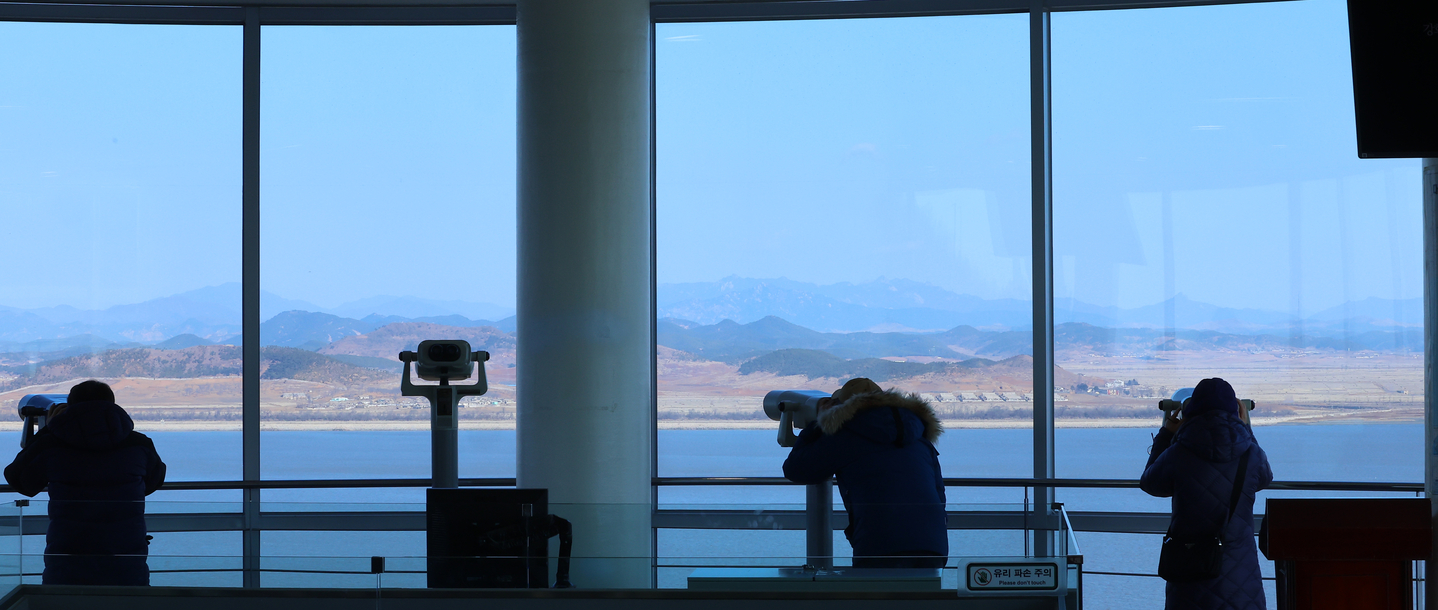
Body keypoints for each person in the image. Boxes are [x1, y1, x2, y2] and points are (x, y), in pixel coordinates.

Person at [4, 380, 166, 586]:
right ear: (113, 405)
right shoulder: (138, 443)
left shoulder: (52, 443)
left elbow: (19, 481)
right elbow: (155, 480)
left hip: (68, 558)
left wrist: (47, 430)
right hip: (126, 558)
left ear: (70, 407)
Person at [782, 377, 947, 568]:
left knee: (874, 597)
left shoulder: (845, 436)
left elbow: (796, 469)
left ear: (842, 409)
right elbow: (939, 492)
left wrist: (818, 424)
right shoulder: (919, 437)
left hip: (879, 543)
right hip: (933, 544)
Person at [1141, 378, 1273, 610]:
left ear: (1190, 409)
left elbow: (1151, 484)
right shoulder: (1251, 453)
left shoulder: (1179, 452)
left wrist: (1165, 434)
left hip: (1191, 567)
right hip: (1240, 570)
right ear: (1237, 410)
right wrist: (1246, 429)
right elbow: (1264, 479)